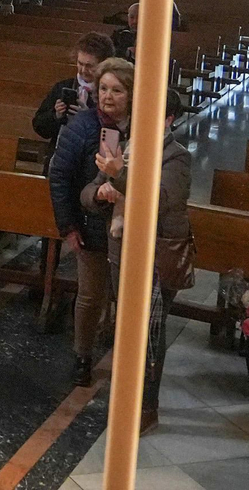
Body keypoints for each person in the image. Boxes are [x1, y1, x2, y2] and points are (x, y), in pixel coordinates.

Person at [47, 58, 185, 384]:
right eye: (103, 89)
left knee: (130, 302)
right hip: (92, 224)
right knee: (90, 296)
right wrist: (69, 226)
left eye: (117, 90)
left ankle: (129, 366)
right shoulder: (81, 126)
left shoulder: (145, 127)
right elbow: (60, 178)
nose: (108, 96)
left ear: (132, 94)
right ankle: (82, 356)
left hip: (134, 232)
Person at [78, 72, 192, 427]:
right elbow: (88, 192)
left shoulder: (177, 158)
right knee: (127, 328)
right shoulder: (125, 148)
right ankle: (126, 399)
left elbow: (157, 200)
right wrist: (100, 193)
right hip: (122, 250)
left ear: (168, 119)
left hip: (158, 254)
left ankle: (146, 408)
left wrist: (119, 177)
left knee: (149, 333)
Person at [33, 33, 112, 140]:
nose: (83, 70)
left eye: (89, 66)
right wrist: (56, 115)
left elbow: (112, 134)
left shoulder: (109, 94)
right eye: (80, 63)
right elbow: (39, 127)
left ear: (103, 64)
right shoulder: (63, 86)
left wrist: (88, 117)